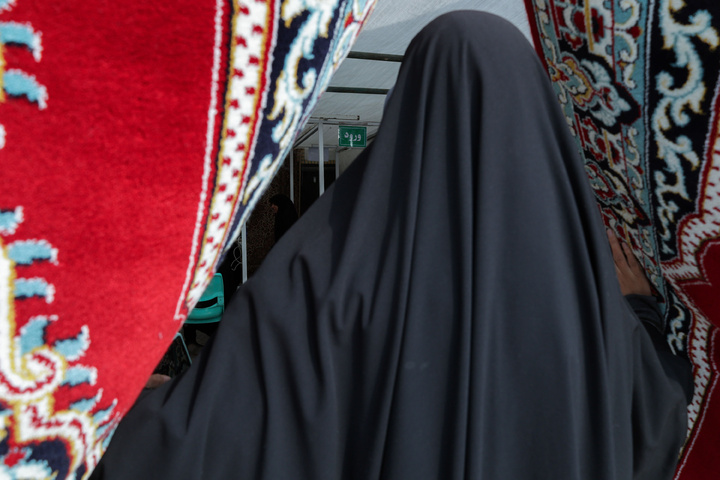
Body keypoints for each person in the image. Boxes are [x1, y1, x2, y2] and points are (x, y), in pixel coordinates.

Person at [90, 11, 690, 479]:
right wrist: (635, 307)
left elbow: (214, 441)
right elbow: (659, 423)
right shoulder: (592, 317)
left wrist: (135, 411)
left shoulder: (331, 277)